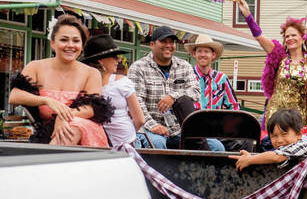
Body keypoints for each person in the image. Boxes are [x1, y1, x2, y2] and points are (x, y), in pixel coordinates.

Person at [9, 14, 112, 146]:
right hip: (48, 133)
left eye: (76, 41)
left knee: (74, 126)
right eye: (64, 40)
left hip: (84, 130)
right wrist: (48, 101)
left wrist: (62, 116)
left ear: (82, 44)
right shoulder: (36, 66)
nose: (70, 45)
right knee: (69, 129)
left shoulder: (91, 73)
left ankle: (48, 163)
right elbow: (15, 95)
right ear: (52, 43)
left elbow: (92, 109)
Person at [127, 26, 223, 150]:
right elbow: (137, 101)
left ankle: (200, 169)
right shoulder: (138, 67)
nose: (169, 45)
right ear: (152, 44)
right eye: (163, 42)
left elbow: (196, 91)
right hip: (150, 127)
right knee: (158, 144)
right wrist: (153, 126)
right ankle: (160, 170)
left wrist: (173, 96)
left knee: (216, 147)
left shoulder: (184, 66)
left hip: (179, 128)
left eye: (171, 42)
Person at [237, 0, 307, 129]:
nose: (290, 39)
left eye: (294, 35)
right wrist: (247, 15)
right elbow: (259, 36)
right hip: (274, 115)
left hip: (298, 119)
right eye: (287, 36)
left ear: (303, 37)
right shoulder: (279, 57)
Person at [81, 34, 144, 147]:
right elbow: (139, 119)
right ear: (100, 60)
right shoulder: (86, 83)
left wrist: (128, 135)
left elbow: (140, 120)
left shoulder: (123, 82)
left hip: (128, 143)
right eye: (114, 56)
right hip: (98, 143)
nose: (119, 60)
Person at [229, 108, 307, 171]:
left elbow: (277, 157)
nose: (279, 140)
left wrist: (250, 159)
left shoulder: (303, 145)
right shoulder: (283, 148)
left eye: (284, 134)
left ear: (299, 134)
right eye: (274, 136)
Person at [185, 34, 239, 111]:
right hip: (193, 122)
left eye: (206, 51)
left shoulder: (221, 79)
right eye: (199, 51)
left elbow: (234, 106)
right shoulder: (187, 76)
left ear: (213, 55)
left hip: (215, 122)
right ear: (194, 54)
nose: (203, 55)